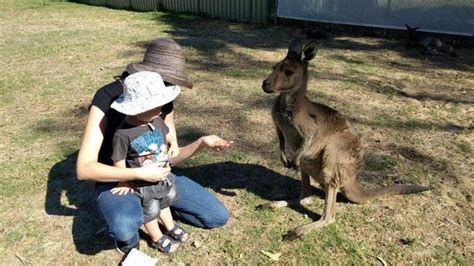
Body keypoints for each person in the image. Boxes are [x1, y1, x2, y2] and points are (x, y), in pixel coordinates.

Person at [76, 38, 233, 255]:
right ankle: (134, 228)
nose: (167, 93)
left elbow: (168, 158)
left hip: (156, 177)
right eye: (167, 82)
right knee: (124, 225)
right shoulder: (107, 97)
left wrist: (200, 143)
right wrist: (138, 173)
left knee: (216, 216)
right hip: (119, 180)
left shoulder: (161, 98)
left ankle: (158, 209)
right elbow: (84, 169)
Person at [110, 71, 189, 254]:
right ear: (138, 108)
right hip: (143, 184)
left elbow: (168, 133)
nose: (161, 109)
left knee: (165, 203)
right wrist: (124, 180)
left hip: (163, 176)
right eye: (155, 106)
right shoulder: (123, 134)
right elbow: (119, 159)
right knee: (150, 211)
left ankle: (169, 227)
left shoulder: (156, 119)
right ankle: (156, 238)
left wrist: (174, 143)